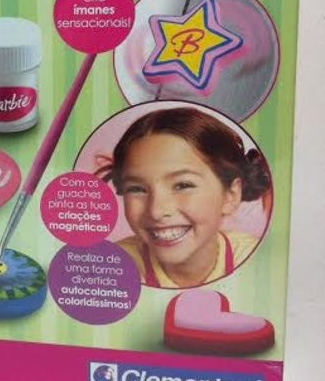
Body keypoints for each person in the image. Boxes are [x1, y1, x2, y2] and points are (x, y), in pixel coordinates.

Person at [97, 107, 272, 288]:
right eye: (137, 189)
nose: (156, 211)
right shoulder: (115, 266)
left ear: (230, 196)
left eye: (183, 185)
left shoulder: (255, 259)